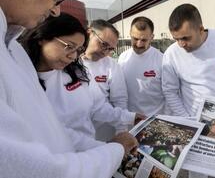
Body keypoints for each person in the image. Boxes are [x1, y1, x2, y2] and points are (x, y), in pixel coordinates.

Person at [0, 0, 136, 176]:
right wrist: (112, 152)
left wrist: (105, 148)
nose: (56, 10)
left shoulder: (14, 51)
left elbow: (52, 129)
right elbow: (34, 169)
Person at [20, 13, 141, 152]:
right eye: (68, 46)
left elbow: (95, 106)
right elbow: (56, 132)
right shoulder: (24, 80)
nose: (73, 56)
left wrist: (130, 117)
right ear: (43, 37)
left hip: (90, 150)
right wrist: (106, 148)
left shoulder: (76, 72)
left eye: (78, 50)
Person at [82, 19, 137, 140]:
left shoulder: (111, 65)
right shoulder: (69, 62)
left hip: (102, 131)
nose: (105, 52)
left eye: (110, 49)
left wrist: (121, 131)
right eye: (103, 44)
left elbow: (119, 100)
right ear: (89, 33)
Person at [119, 16, 166, 116]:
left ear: (152, 37)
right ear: (130, 34)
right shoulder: (123, 58)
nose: (139, 44)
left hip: (154, 120)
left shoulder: (162, 60)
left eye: (144, 40)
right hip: (130, 120)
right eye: (135, 39)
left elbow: (170, 93)